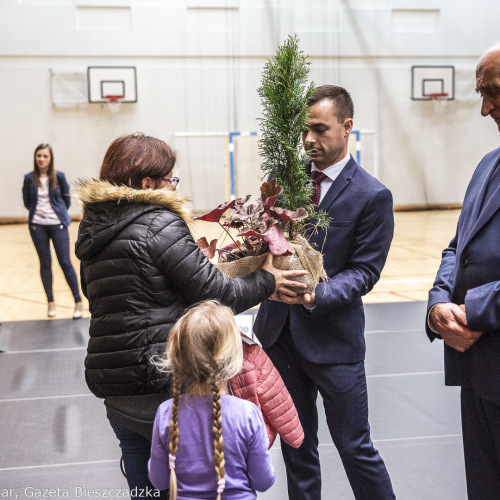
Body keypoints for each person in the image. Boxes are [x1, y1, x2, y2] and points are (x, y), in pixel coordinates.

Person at [74, 133, 306, 499]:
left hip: (116, 391)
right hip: (165, 387)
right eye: (170, 178)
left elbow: (105, 297)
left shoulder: (93, 231)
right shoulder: (157, 223)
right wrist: (267, 279)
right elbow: (219, 293)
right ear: (147, 183)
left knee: (145, 489)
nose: (173, 185)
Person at [253, 85, 396, 500]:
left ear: (347, 126)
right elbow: (265, 244)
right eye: (304, 130)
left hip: (334, 342)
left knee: (356, 449)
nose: (308, 139)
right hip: (279, 337)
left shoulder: (372, 195)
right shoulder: (281, 182)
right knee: (298, 448)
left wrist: (315, 296)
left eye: (319, 129)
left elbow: (365, 272)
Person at [426, 42, 500, 499]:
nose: (484, 107)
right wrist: (437, 305)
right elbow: (457, 247)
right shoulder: (487, 165)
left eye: (493, 91)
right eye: (481, 93)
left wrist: (473, 308)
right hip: (478, 370)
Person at [148, 300, 276, 499]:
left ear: (178, 358)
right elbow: (263, 481)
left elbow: (159, 480)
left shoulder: (166, 413)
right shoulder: (248, 414)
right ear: (232, 359)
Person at [22, 143, 83, 319]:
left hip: (58, 225)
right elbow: (27, 201)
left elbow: (66, 201)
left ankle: (78, 301)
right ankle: (50, 302)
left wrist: (57, 214)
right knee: (45, 263)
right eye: (39, 156)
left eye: (45, 156)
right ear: (35, 158)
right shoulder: (28, 178)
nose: (41, 159)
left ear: (50, 158)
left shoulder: (60, 176)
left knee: (65, 262)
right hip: (37, 226)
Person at [229, 333, 304, 449]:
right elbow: (274, 391)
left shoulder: (247, 351)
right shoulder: (248, 350)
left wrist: (294, 435)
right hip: (249, 441)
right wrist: (294, 435)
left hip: (244, 440)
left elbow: (273, 392)